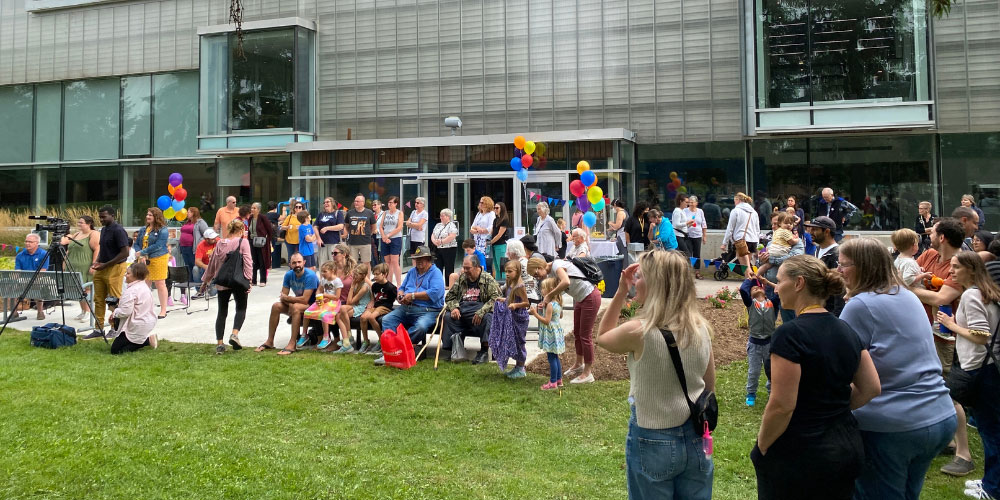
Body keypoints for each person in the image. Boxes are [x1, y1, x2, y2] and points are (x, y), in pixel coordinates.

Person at [751, 255, 882, 499]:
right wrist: (833, 408)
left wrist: (762, 445)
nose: (776, 288)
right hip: (845, 445)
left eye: (779, 281)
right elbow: (871, 387)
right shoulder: (847, 330)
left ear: (799, 283)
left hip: (801, 453)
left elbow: (782, 405)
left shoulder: (789, 335)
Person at [836, 238, 957, 499]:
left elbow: (839, 368)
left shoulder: (859, 305)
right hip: (939, 415)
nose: (838, 271)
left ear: (863, 267)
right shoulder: (906, 295)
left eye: (843, 265)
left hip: (893, 425)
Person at [595, 250, 716, 499]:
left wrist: (619, 292)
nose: (635, 282)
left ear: (656, 284)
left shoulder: (639, 331)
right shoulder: (700, 328)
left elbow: (602, 336)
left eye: (640, 277)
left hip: (652, 436)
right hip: (696, 437)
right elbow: (709, 385)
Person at [936, 252, 1000, 500]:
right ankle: (990, 481)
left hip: (980, 369)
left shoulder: (972, 295)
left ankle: (992, 488)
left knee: (990, 430)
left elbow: (980, 334)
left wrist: (951, 325)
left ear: (971, 270)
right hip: (989, 368)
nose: (950, 272)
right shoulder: (987, 291)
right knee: (991, 428)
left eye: (955, 267)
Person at [528, 256, 601, 384]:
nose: (537, 277)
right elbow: (560, 290)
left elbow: (566, 282)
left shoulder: (556, 265)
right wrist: (546, 302)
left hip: (590, 297)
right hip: (580, 298)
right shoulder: (551, 272)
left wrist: (549, 296)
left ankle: (588, 373)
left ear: (540, 267)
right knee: (577, 333)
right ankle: (579, 364)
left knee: (585, 336)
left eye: (536, 273)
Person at [375, 245, 445, 365]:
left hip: (428, 310)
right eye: (416, 259)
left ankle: (400, 349)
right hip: (406, 307)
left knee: (420, 327)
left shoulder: (435, 272)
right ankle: (390, 351)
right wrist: (401, 295)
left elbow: (435, 293)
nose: (418, 261)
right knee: (387, 319)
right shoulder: (412, 271)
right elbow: (401, 288)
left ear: (428, 259)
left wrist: (412, 296)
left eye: (421, 259)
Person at [199, 220, 253, 355]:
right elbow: (248, 262)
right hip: (238, 281)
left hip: (222, 281)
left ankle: (219, 344)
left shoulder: (219, 243)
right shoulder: (243, 242)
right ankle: (234, 334)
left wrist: (205, 281)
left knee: (222, 312)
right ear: (241, 231)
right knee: (241, 308)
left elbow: (212, 264)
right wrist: (249, 280)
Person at [81, 206, 131, 339]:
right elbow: (102, 249)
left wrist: (106, 265)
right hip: (102, 267)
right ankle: (98, 329)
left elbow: (125, 252)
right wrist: (97, 262)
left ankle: (116, 328)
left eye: (104, 217)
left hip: (115, 267)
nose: (101, 219)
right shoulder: (103, 230)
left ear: (113, 216)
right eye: (100, 217)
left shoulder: (118, 230)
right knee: (98, 299)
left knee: (113, 300)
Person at [441, 254, 501, 364]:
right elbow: (450, 296)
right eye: (464, 267)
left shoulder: (488, 279)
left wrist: (482, 311)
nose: (465, 270)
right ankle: (454, 350)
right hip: (463, 310)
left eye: (468, 268)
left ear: (477, 267)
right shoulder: (463, 278)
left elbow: (496, 298)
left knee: (489, 318)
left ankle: (483, 352)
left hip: (478, 311)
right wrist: (454, 308)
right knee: (449, 317)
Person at [261, 253, 318, 354]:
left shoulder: (310, 275)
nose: (297, 265)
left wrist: (290, 300)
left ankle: (292, 344)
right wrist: (290, 301)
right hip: (297, 303)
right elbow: (283, 297)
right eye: (294, 263)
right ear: (290, 264)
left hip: (313, 305)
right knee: (276, 306)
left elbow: (305, 299)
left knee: (295, 307)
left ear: (304, 262)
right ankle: (270, 341)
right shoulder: (288, 275)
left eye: (299, 262)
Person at [490, 259, 531, 377]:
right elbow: (511, 298)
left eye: (510, 271)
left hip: (520, 317)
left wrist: (515, 305)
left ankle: (521, 368)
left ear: (517, 271)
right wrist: (503, 300)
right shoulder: (510, 282)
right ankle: (517, 367)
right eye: (506, 271)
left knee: (519, 342)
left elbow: (526, 303)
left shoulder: (519, 286)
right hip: (511, 316)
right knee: (513, 341)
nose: (507, 274)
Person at [109, 262, 158, 354]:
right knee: (120, 345)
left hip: (137, 324)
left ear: (135, 276)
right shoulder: (145, 287)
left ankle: (146, 341)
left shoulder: (131, 291)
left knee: (116, 350)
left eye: (128, 273)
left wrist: (114, 312)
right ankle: (144, 340)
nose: (125, 275)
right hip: (147, 322)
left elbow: (125, 312)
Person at [739, 283, 775, 407]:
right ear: (751, 294)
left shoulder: (772, 303)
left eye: (759, 287)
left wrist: (766, 281)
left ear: (765, 292)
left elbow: (779, 290)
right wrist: (751, 278)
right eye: (753, 288)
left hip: (769, 344)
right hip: (755, 344)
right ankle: (751, 394)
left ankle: (772, 393)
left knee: (772, 371)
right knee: (754, 371)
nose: (757, 287)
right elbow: (743, 290)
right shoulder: (751, 304)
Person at [60, 216, 99, 322]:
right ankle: (83, 311)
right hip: (72, 265)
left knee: (87, 289)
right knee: (78, 289)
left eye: (81, 222)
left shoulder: (93, 234)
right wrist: (64, 262)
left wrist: (94, 265)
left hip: (85, 266)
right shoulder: (76, 234)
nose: (79, 224)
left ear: (89, 223)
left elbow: (97, 249)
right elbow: (69, 249)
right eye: (78, 222)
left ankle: (88, 311)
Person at [803, 216, 845, 316]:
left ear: (826, 231)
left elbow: (839, 290)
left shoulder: (837, 255)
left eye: (815, 229)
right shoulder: (816, 251)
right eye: (810, 229)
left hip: (830, 313)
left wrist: (836, 317)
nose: (810, 232)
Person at [531, 277, 566, 390]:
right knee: (555, 357)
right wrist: (543, 307)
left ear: (551, 289)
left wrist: (535, 313)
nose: (542, 290)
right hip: (556, 330)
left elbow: (546, 321)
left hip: (550, 332)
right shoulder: (557, 303)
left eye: (543, 288)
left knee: (551, 358)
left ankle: (552, 382)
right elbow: (560, 316)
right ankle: (559, 379)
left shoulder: (551, 305)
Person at [133, 208, 170, 319]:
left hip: (158, 257)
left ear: (156, 217)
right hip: (144, 258)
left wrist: (143, 252)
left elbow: (159, 245)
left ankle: (163, 310)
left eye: (150, 215)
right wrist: (141, 254)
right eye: (147, 214)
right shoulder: (143, 229)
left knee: (160, 283)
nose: (147, 217)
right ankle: (145, 309)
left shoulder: (163, 230)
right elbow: (136, 243)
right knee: (144, 284)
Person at [302, 260, 343, 351]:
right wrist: (318, 296)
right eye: (322, 271)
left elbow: (337, 297)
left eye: (325, 271)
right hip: (324, 301)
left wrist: (325, 295)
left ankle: (326, 337)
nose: (323, 274)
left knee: (324, 315)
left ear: (332, 270)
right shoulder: (323, 280)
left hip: (334, 303)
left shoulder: (337, 281)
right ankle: (304, 334)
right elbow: (319, 290)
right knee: (308, 312)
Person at [332, 263, 371, 354]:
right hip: (356, 305)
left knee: (341, 311)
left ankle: (348, 339)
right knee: (338, 314)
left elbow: (349, 302)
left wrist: (352, 286)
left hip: (362, 307)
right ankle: (348, 340)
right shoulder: (357, 283)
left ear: (363, 276)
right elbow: (350, 301)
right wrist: (353, 286)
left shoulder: (364, 287)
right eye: (354, 274)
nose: (354, 276)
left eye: (356, 275)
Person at [8, 233, 48, 321]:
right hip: (23, 279)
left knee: (38, 285)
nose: (27, 243)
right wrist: (13, 279)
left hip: (38, 278)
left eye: (30, 242)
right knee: (11, 286)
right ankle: (14, 312)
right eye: (26, 241)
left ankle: (40, 312)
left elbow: (43, 271)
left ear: (37, 243)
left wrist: (32, 280)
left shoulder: (44, 254)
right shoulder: (20, 255)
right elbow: (17, 270)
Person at [359, 262, 396, 356]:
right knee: (363, 317)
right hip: (376, 306)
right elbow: (373, 298)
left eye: (377, 274)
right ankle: (366, 341)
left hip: (385, 307)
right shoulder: (374, 286)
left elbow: (394, 299)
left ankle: (381, 340)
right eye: (373, 274)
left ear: (384, 274)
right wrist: (371, 303)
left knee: (371, 317)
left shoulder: (391, 287)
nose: (374, 276)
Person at [722, 192, 760, 279]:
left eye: (734, 201)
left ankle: (750, 280)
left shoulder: (736, 211)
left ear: (738, 200)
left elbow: (730, 228)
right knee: (747, 264)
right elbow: (757, 229)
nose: (734, 203)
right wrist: (757, 243)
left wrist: (724, 242)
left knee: (746, 266)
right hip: (753, 240)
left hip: (742, 239)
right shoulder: (754, 212)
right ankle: (749, 284)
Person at [756, 212, 801, 280]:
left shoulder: (798, 241)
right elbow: (760, 263)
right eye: (772, 224)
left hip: (786, 285)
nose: (773, 226)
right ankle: (757, 275)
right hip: (769, 285)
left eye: (776, 224)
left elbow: (794, 259)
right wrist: (761, 260)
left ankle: (757, 275)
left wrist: (771, 260)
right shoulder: (772, 241)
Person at [247, 202, 274, 286]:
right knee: (253, 261)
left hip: (261, 242)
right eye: (252, 208)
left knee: (262, 260)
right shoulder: (250, 218)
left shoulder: (263, 217)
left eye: (254, 208)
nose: (252, 210)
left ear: (258, 209)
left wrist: (268, 240)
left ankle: (263, 280)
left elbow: (269, 229)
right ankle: (253, 280)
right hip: (252, 241)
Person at [380, 196, 404, 286]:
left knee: (394, 261)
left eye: (391, 202)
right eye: (388, 202)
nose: (389, 204)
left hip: (395, 238)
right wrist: (383, 237)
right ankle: (388, 282)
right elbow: (381, 226)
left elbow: (400, 227)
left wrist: (388, 235)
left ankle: (398, 284)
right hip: (385, 238)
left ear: (395, 204)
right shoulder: (385, 213)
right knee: (387, 262)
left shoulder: (399, 213)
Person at [179, 207, 209, 280]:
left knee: (194, 265)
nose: (187, 213)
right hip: (183, 247)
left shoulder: (200, 222)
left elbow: (207, 233)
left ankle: (196, 282)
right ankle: (190, 281)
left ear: (193, 213)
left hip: (192, 247)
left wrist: (199, 241)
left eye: (189, 212)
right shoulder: (187, 222)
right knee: (187, 265)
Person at [345, 194, 375, 266]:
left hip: (365, 242)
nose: (356, 203)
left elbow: (373, 226)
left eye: (358, 201)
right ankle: (352, 277)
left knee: (366, 263)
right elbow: (346, 226)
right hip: (352, 243)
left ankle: (366, 277)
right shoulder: (350, 213)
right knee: (352, 263)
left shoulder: (369, 213)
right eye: (355, 201)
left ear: (363, 203)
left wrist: (368, 234)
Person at [314, 197, 344, 267]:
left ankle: (334, 278)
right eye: (324, 202)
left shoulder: (338, 213)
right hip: (323, 243)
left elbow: (340, 226)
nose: (325, 204)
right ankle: (323, 278)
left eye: (327, 202)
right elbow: (315, 227)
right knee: (323, 265)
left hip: (334, 243)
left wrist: (327, 228)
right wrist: (318, 238)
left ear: (332, 203)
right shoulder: (321, 214)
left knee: (334, 264)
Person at [431, 208, 460, 279]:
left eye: (443, 216)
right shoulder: (438, 225)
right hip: (438, 248)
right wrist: (434, 241)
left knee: (449, 266)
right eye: (440, 216)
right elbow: (433, 234)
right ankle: (438, 281)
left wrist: (441, 241)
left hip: (449, 248)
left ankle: (448, 283)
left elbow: (452, 236)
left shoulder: (452, 225)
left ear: (448, 217)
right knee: (438, 266)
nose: (441, 217)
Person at [685, 196, 708, 279]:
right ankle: (687, 272)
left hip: (698, 235)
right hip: (688, 235)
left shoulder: (700, 211)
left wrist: (704, 235)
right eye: (689, 202)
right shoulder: (685, 211)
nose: (690, 204)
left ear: (696, 203)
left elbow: (704, 224)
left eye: (692, 202)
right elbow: (682, 222)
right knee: (688, 253)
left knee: (697, 254)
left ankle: (697, 272)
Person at [489, 201, 511, 280]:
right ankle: (498, 283)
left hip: (501, 245)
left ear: (502, 209)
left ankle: (505, 282)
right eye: (494, 208)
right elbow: (492, 232)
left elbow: (499, 234)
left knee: (502, 266)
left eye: (497, 208)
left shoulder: (504, 220)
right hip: (495, 245)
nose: (495, 209)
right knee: (496, 266)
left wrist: (490, 242)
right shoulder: (495, 220)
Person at [671, 193, 695, 258]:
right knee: (686, 254)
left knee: (687, 253)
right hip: (678, 235)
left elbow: (682, 225)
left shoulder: (683, 211)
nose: (687, 204)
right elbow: (676, 225)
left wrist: (689, 224)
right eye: (686, 202)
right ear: (680, 201)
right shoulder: (677, 211)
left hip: (683, 235)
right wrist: (687, 223)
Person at [266, 201, 283, 269]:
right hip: (273, 235)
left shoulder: (266, 215)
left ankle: (268, 264)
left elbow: (275, 223)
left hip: (267, 235)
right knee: (272, 249)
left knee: (269, 248)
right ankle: (271, 264)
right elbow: (283, 217)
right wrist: (284, 210)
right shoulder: (274, 214)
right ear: (275, 208)